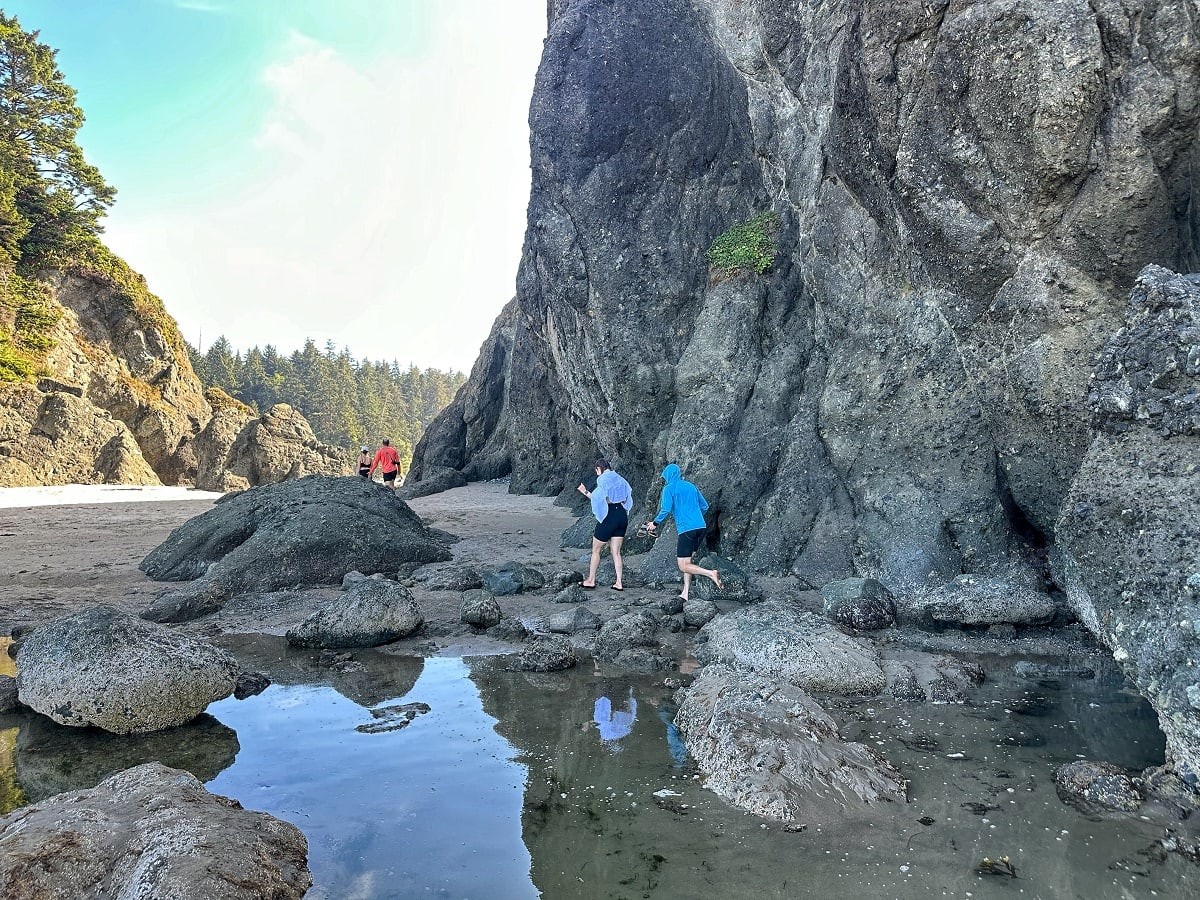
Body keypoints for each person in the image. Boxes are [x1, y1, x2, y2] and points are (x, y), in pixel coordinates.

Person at [644, 463, 723, 600]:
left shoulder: (669, 488)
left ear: (668, 476)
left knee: (683, 565)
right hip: (701, 527)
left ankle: (710, 573)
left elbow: (666, 509)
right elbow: (705, 506)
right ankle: (685, 593)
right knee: (689, 561)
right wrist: (695, 516)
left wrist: (654, 524)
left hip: (687, 530)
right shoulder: (691, 486)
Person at [576, 457, 632, 591]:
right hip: (622, 515)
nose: (596, 473)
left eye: (596, 471)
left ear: (598, 469)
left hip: (610, 515)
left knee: (596, 550)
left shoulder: (602, 479)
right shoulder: (619, 478)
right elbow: (628, 493)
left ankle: (591, 580)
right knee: (616, 552)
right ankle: (619, 583)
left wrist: (584, 491)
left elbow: (597, 498)